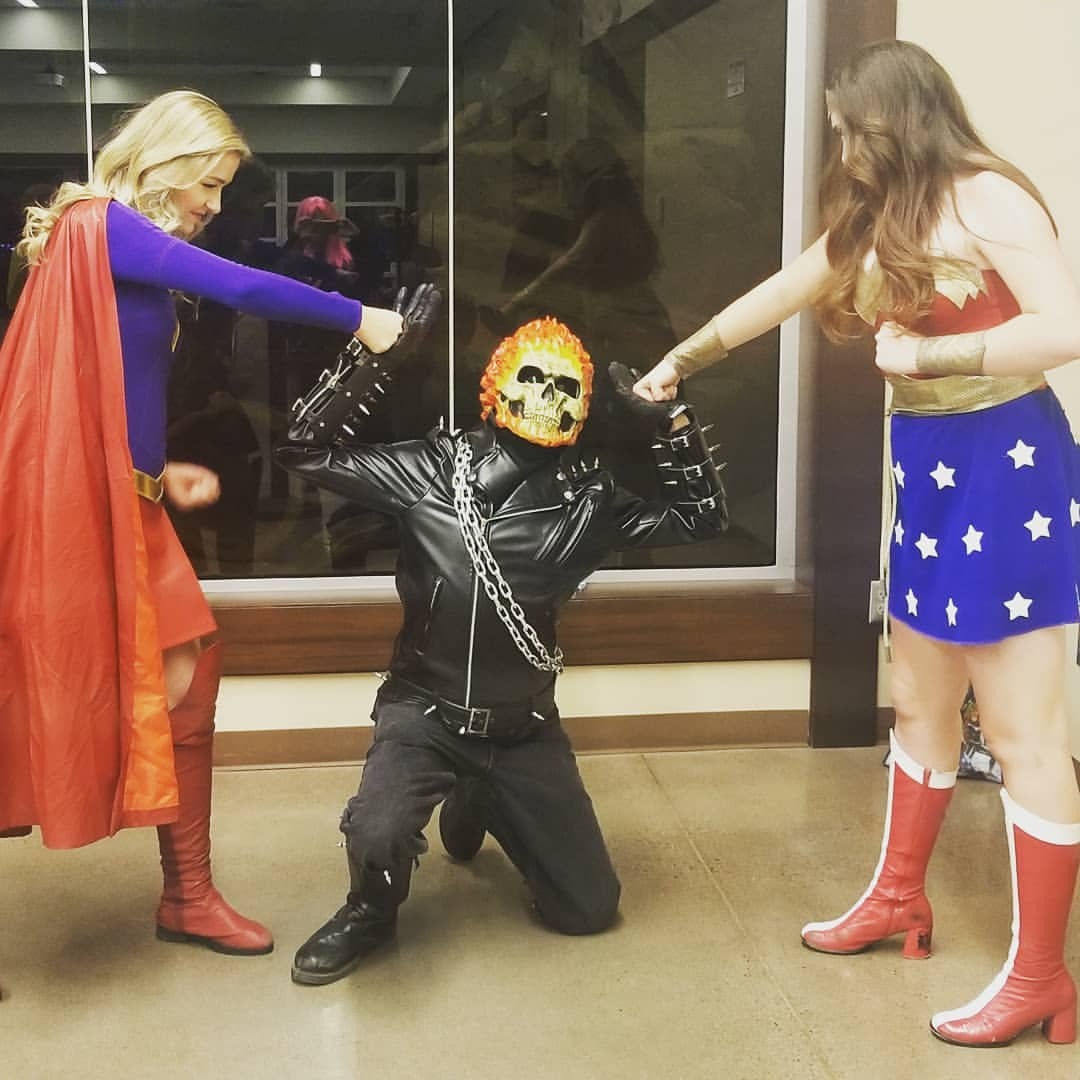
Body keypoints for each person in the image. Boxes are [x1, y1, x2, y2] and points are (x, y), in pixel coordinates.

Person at [634, 40, 1080, 1049]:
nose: (845, 148)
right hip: (930, 472)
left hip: (1007, 467)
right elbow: (785, 288)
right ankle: (897, 897)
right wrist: (680, 360)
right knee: (919, 702)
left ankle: (1042, 977)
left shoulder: (991, 197)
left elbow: (1063, 328)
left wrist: (927, 352)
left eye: (854, 129)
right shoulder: (883, 215)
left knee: (1022, 734)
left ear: (901, 118)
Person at [0, 90, 403, 963]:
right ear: (164, 163)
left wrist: (154, 471)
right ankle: (188, 894)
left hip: (124, 501)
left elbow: (110, 385)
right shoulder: (100, 224)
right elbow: (238, 285)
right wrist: (360, 317)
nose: (214, 205)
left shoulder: (110, 240)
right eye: (208, 184)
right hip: (87, 510)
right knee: (37, 686)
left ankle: (188, 896)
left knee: (188, 672)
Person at [275, 313, 728, 986]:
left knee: (588, 909)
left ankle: (480, 797)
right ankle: (370, 910)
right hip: (424, 713)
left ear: (583, 409)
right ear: (497, 387)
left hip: (523, 725)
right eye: (533, 377)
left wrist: (674, 424)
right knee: (377, 830)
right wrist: (374, 359)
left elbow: (703, 519)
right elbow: (302, 451)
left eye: (566, 387)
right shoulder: (432, 468)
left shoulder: (591, 499)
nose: (548, 395)